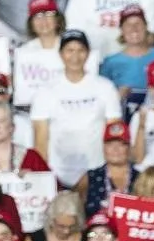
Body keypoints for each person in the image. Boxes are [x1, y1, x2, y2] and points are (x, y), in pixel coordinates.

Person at [31, 30, 124, 188]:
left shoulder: (105, 87)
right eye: (70, 50)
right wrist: (44, 177)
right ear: (61, 54)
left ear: (88, 54)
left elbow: (113, 132)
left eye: (81, 50)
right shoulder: (45, 92)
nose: (75, 56)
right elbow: (41, 139)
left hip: (97, 171)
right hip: (58, 173)